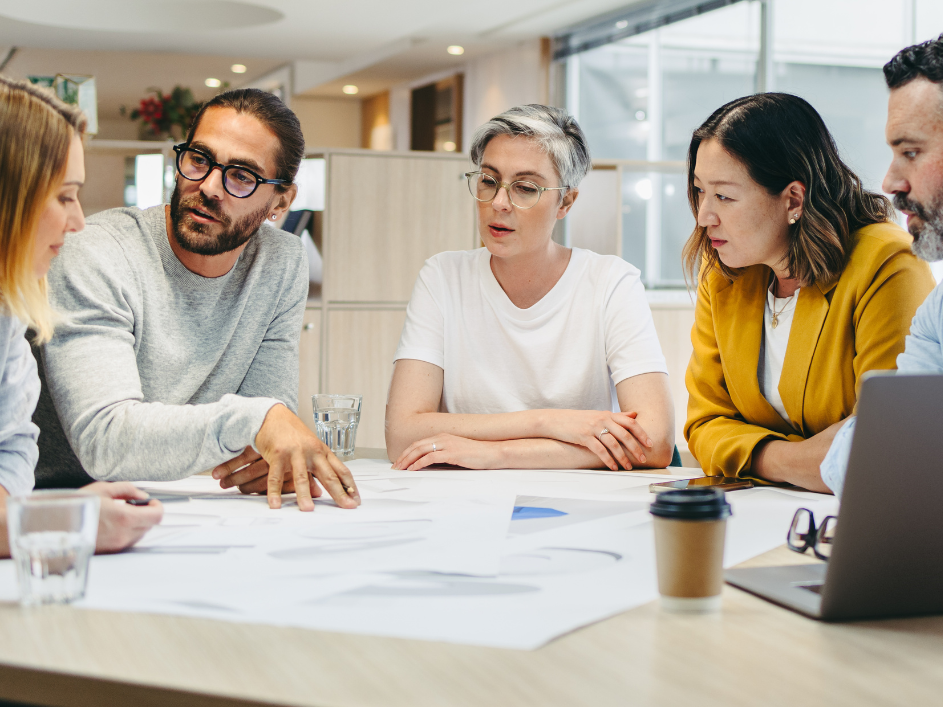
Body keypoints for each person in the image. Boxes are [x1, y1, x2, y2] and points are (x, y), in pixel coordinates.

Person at [33, 88, 359, 512]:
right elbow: (105, 441)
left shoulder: (281, 262)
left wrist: (262, 436)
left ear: (282, 201)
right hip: (56, 505)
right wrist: (256, 422)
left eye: (242, 176)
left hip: (182, 506)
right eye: (199, 159)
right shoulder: (97, 251)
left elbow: (260, 447)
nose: (208, 187)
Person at [386, 104, 675, 472]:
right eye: (489, 181)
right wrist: (548, 422)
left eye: (525, 188)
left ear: (566, 201)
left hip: (579, 504)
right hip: (463, 500)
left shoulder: (610, 283)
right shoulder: (443, 276)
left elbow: (655, 441)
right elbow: (402, 434)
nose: (499, 203)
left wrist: (497, 455)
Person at [684, 92, 935, 492]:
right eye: (699, 191)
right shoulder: (725, 273)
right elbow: (704, 423)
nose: (703, 216)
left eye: (724, 196)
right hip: (760, 512)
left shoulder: (886, 264)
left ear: (793, 199)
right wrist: (789, 461)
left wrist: (746, 450)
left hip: (853, 516)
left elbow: (883, 439)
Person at [0, 77, 162, 558]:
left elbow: (12, 444)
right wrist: (52, 525)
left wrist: (19, 522)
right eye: (65, 196)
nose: (78, 222)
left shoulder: (9, 313)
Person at [821, 35, 943, 496]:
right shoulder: (938, 313)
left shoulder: (884, 262)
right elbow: (855, 462)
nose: (890, 181)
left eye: (910, 152)